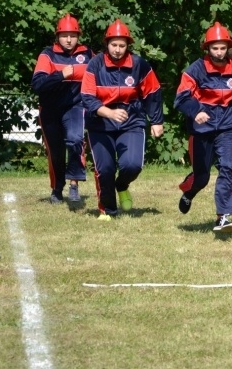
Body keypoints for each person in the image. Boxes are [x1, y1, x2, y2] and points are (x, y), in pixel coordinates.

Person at [81, 19, 164, 220]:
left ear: (128, 46)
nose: (117, 50)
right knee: (105, 168)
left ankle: (122, 185)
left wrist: (156, 121)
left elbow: (153, 93)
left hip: (131, 122)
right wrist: (108, 112)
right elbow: (87, 97)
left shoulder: (139, 65)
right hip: (100, 124)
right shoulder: (95, 64)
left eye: (122, 45)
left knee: (132, 165)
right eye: (114, 45)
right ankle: (108, 210)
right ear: (106, 44)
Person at [174, 23, 232, 234]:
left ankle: (223, 217)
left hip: (229, 126)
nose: (219, 52)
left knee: (227, 168)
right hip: (201, 129)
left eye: (223, 48)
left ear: (228, 48)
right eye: (215, 48)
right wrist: (196, 111)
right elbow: (181, 99)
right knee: (201, 177)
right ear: (207, 48)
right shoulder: (195, 69)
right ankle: (188, 192)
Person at [32, 13, 94, 203]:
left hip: (75, 106)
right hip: (50, 109)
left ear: (78, 36)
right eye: (65, 35)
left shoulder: (88, 54)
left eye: (73, 35)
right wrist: (60, 75)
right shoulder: (47, 55)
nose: (69, 40)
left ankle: (74, 184)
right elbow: (37, 85)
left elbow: (100, 75)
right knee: (56, 151)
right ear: (57, 36)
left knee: (75, 139)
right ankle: (57, 189)